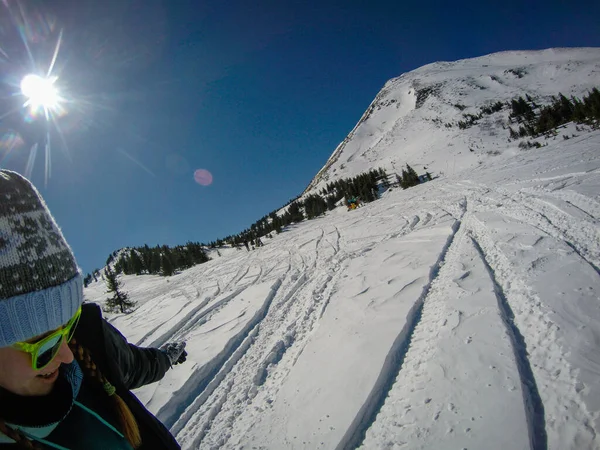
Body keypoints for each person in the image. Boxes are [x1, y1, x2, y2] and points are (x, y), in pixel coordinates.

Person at [0, 170, 187, 449]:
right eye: (43, 345)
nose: (66, 355)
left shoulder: (88, 342)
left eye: (68, 324)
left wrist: (167, 357)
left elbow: (137, 365)